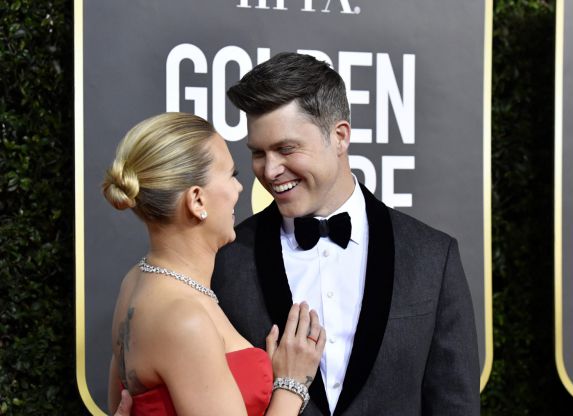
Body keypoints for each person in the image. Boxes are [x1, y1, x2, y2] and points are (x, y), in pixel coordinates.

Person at [115, 53, 480, 415]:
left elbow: (455, 405)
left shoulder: (433, 257)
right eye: (258, 153)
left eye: (286, 148)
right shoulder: (223, 260)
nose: (270, 170)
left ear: (339, 137)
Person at [104, 112, 326, 416]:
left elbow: (120, 405)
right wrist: (292, 384)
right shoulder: (185, 320)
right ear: (197, 200)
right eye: (232, 175)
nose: (239, 189)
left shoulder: (135, 281)